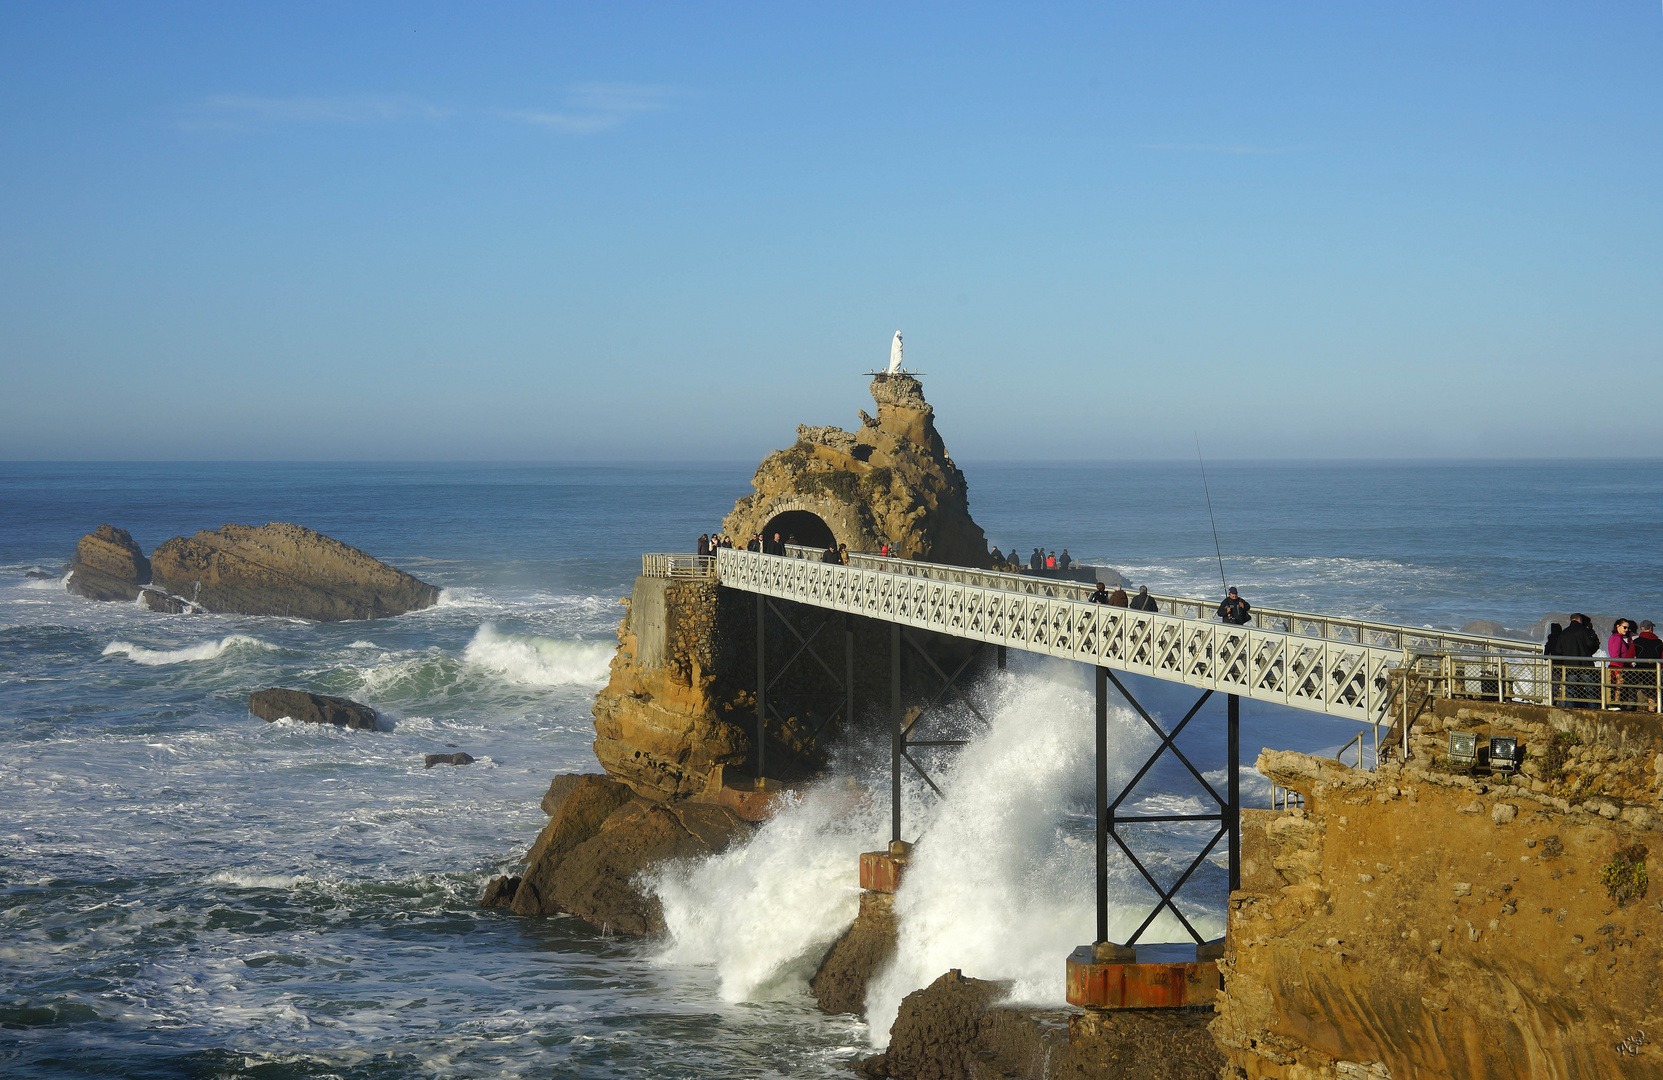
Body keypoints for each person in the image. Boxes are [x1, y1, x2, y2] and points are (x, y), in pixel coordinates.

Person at [1558, 613, 1601, 708]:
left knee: (1570, 692)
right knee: (1591, 691)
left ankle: (1570, 712)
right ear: (1579, 620)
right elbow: (1591, 644)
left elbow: (1558, 650)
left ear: (1570, 621)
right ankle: (1593, 712)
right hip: (1585, 665)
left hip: (1570, 666)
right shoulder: (1584, 631)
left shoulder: (1564, 632)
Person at [1608, 619, 1637, 710]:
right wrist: (1620, 669)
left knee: (1620, 689)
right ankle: (1615, 704)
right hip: (1617, 666)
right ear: (1617, 626)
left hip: (1619, 666)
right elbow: (1615, 655)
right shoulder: (1616, 638)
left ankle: (1618, 705)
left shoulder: (1620, 637)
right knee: (1618, 688)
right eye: (1624, 627)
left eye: (1628, 628)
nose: (1626, 630)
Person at [1633, 620, 1661, 712]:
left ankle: (1631, 706)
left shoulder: (1636, 642)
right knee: (1653, 691)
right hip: (1655, 671)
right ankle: (1652, 709)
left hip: (1639, 672)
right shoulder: (1659, 642)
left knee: (1633, 686)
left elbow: (1628, 657)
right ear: (1650, 628)